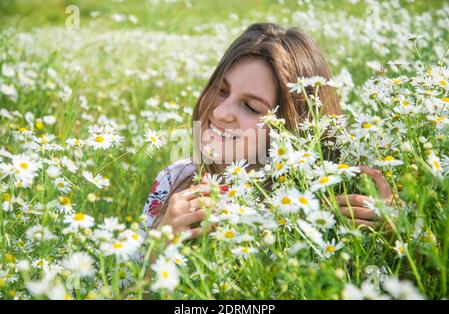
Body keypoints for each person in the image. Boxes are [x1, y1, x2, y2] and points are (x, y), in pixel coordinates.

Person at [142, 22, 395, 239]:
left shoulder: (328, 201)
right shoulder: (175, 180)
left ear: (292, 125)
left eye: (251, 107)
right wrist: (158, 248)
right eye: (221, 90)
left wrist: (390, 236)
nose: (219, 113)